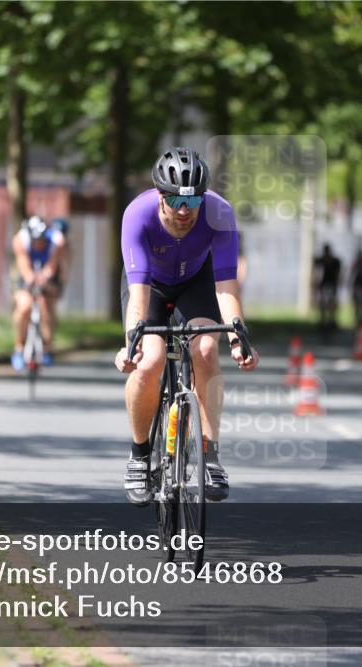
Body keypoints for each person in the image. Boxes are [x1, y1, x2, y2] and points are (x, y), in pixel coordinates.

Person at [114, 147, 260, 506]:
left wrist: (238, 337)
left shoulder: (219, 213)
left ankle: (210, 456)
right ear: (160, 196)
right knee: (149, 361)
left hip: (197, 282)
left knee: (207, 348)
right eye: (176, 201)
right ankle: (138, 455)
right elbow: (137, 296)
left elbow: (226, 287)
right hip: (149, 285)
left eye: (193, 200)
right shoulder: (137, 215)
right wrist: (130, 344)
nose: (184, 210)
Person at [10, 215, 67, 371]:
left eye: (41, 241)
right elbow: (24, 266)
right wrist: (30, 279)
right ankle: (19, 347)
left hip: (48, 275)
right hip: (26, 273)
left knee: (45, 304)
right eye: (35, 241)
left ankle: (47, 347)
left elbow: (51, 267)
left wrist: (45, 281)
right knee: (24, 306)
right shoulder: (19, 241)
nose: (39, 244)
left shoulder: (58, 241)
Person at [313, 244, 342, 331]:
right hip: (324, 284)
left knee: (332, 303)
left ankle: (332, 320)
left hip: (332, 284)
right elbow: (316, 271)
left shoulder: (335, 261)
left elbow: (337, 274)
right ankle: (323, 321)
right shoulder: (321, 261)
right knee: (322, 303)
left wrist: (337, 283)